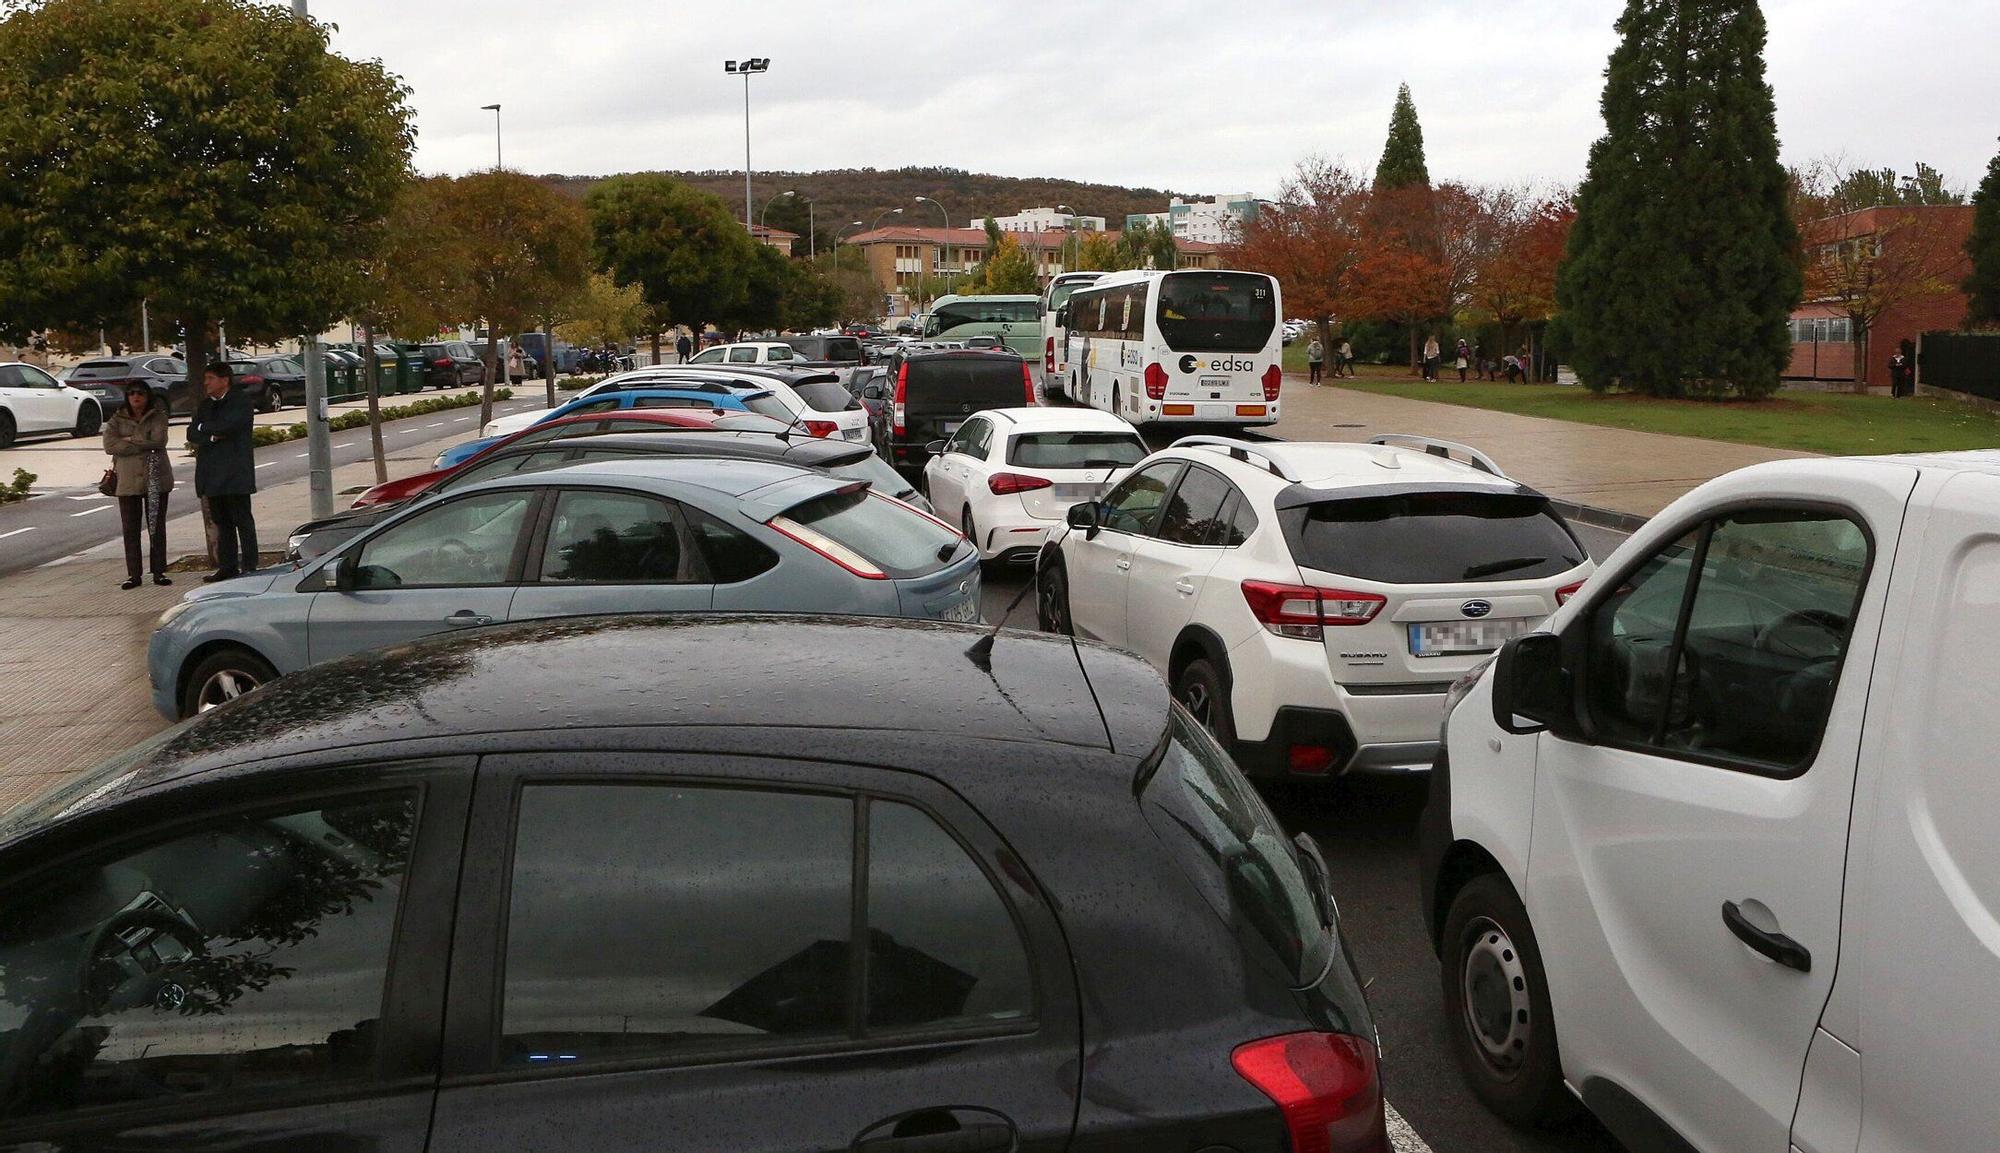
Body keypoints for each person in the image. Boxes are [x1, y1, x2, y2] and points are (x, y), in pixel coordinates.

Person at [189, 361, 258, 582]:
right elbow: (192, 432)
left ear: (224, 380)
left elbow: (229, 427)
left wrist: (207, 428)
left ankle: (250, 565)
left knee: (242, 519)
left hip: (235, 472)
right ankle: (227, 566)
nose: (206, 383)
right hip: (211, 474)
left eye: (210, 378)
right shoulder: (205, 406)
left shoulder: (240, 402)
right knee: (221, 522)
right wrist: (208, 433)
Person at [103, 383, 175, 590]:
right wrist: (143, 441)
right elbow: (109, 445)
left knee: (156, 527)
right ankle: (134, 574)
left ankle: (159, 571)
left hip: (155, 477)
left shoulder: (158, 416)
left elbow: (159, 441)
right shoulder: (117, 418)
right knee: (130, 529)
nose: (136, 397)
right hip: (127, 480)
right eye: (131, 393)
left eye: (140, 393)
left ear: (147, 396)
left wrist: (127, 440)